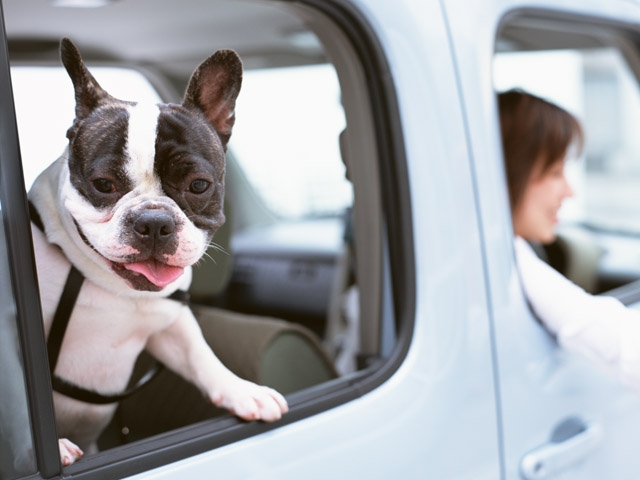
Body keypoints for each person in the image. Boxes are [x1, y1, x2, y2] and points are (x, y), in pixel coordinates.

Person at [499, 89, 640, 389]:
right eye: (554, 172)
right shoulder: (504, 258)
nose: (569, 191)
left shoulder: (506, 254)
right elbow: (607, 337)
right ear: (508, 173)